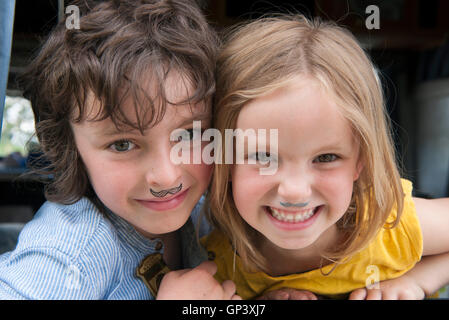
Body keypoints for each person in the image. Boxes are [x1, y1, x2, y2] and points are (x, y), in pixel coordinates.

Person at [0, 0, 240, 300]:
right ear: (71, 148)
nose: (166, 177)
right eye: (123, 144)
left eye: (189, 135)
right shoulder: (70, 251)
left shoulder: (204, 213)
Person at [201, 14, 449, 300]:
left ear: (361, 160)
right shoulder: (215, 266)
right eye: (262, 157)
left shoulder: (391, 229)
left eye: (326, 157)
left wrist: (418, 281)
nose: (294, 191)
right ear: (225, 161)